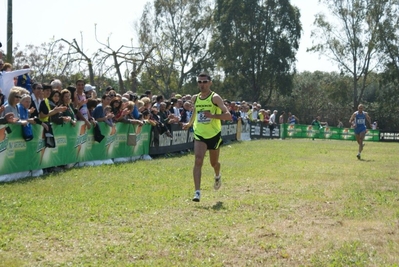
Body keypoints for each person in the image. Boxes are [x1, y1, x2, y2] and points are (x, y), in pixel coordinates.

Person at [182, 72, 231, 202]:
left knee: (213, 163)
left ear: (210, 83)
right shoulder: (195, 98)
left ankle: (217, 175)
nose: (202, 84)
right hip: (199, 133)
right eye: (199, 82)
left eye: (204, 82)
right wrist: (189, 123)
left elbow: (228, 116)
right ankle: (197, 192)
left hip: (214, 134)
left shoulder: (215, 98)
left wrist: (213, 116)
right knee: (198, 160)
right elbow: (195, 112)